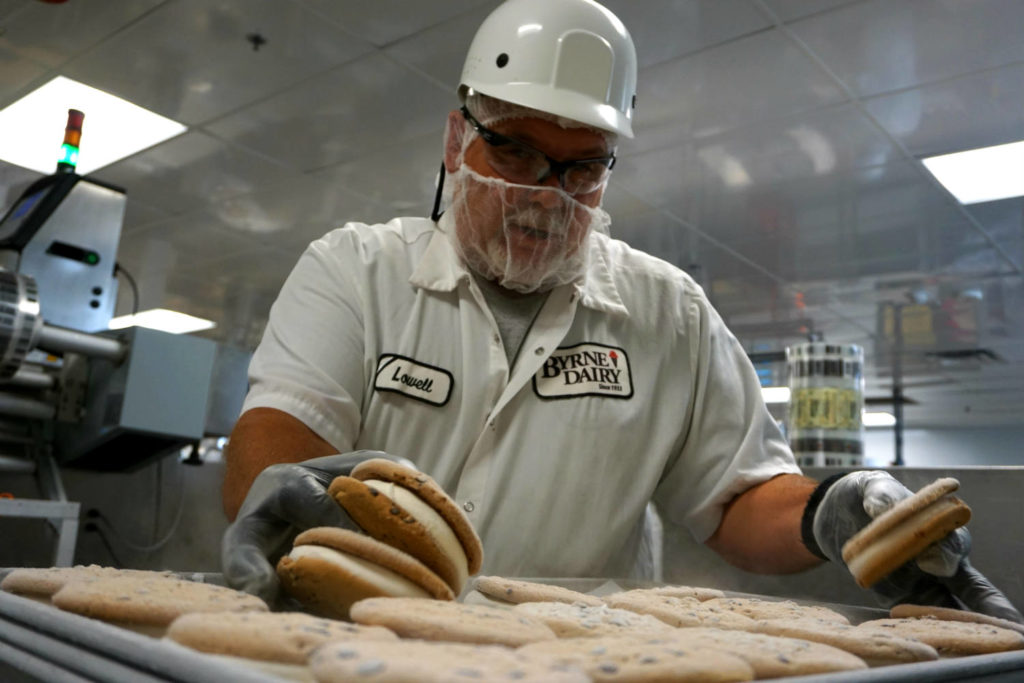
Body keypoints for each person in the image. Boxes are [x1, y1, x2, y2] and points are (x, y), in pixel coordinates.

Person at [220, 0, 1022, 623]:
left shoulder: (667, 312)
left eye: (582, 166)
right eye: (514, 149)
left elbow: (738, 497)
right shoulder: (356, 271)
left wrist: (831, 512)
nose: (544, 192)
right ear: (456, 140)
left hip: (582, 656)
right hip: (362, 642)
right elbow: (276, 445)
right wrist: (300, 495)